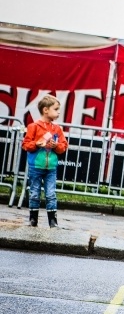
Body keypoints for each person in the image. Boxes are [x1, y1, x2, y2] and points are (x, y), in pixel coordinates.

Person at [21, 94, 69, 228]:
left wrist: (56, 146)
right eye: (56, 109)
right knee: (35, 192)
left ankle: (53, 222)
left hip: (51, 168)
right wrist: (37, 144)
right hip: (35, 166)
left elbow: (63, 147)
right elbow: (25, 145)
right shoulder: (33, 126)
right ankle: (33, 220)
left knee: (51, 194)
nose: (59, 112)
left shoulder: (57, 129)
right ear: (45, 110)